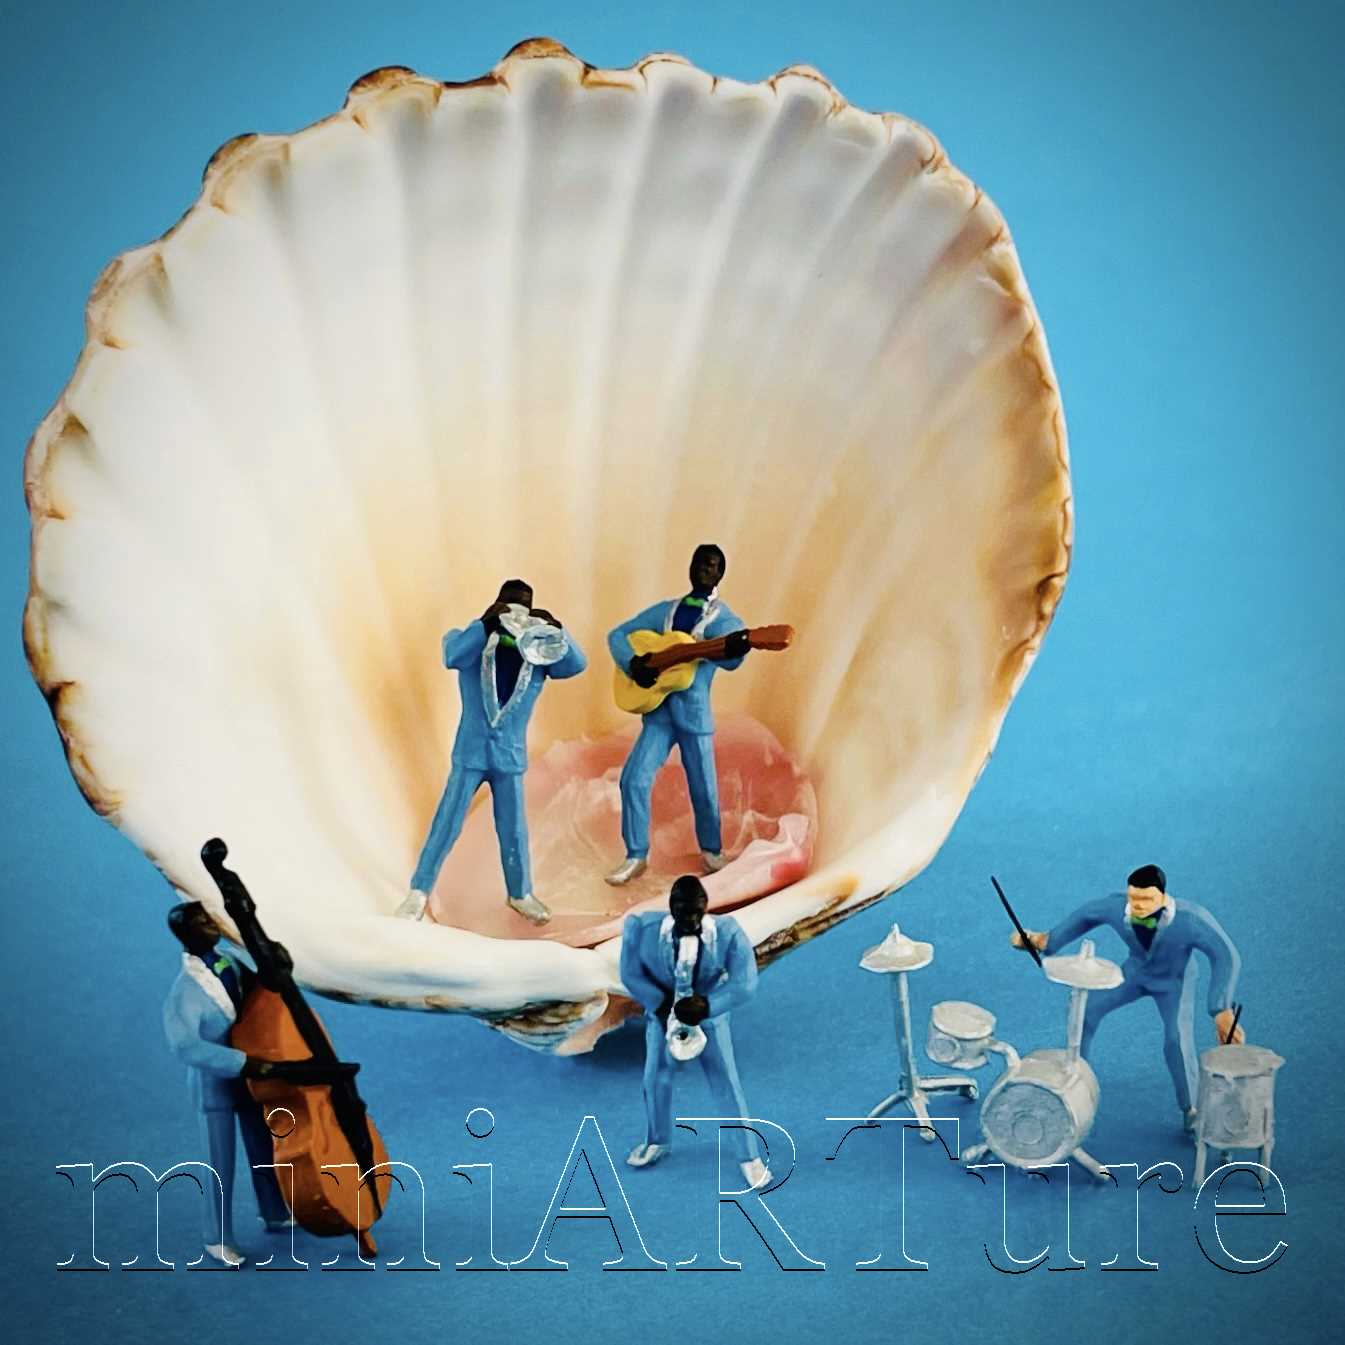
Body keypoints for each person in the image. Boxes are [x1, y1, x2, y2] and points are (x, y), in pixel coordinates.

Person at [398, 579, 586, 924]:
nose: (517, 615)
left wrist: (557, 629)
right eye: (511, 606)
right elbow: (452, 655)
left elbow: (575, 665)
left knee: (514, 829)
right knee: (447, 823)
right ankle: (419, 891)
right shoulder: (473, 641)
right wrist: (484, 624)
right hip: (470, 753)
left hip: (509, 757)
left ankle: (520, 893)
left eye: (523, 608)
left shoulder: (537, 653)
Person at [1011, 863, 1243, 1130]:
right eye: (1134, 898)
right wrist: (1045, 941)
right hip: (1134, 973)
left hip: (1174, 982)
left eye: (1147, 899)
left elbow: (1225, 955)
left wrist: (1221, 1008)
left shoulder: (1191, 919)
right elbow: (1086, 915)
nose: (1139, 906)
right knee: (1085, 1011)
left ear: (1163, 895)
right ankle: (1076, 1080)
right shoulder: (1117, 908)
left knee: (1176, 1040)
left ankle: (1191, 1108)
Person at [605, 544, 751, 886]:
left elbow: (733, 659)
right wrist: (633, 663)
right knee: (633, 779)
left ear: (720, 574)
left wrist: (738, 646)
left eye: (711, 566)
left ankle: (712, 851)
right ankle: (635, 854)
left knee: (704, 788)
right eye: (699, 563)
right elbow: (618, 635)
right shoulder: (666, 611)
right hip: (658, 713)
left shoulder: (724, 619)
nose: (704, 570)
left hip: (694, 716)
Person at [163, 902, 299, 1266]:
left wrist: (275, 960)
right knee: (219, 1163)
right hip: (216, 1087)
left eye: (209, 918)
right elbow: (185, 1046)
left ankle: (274, 1210)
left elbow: (260, 989)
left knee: (264, 1149)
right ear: (186, 934)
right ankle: (217, 1237)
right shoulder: (184, 992)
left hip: (250, 1081)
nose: (211, 924)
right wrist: (241, 1062)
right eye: (202, 922)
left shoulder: (231, 962)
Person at [619, 875, 770, 1187]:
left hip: (709, 1022)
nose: (690, 920)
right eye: (683, 912)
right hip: (663, 1020)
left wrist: (708, 1006)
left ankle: (749, 1156)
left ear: (705, 907)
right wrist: (661, 1004)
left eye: (696, 913)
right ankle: (657, 1140)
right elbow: (630, 973)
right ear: (672, 908)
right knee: (654, 1079)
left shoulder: (728, 932)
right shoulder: (641, 928)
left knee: (726, 1084)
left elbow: (745, 983)